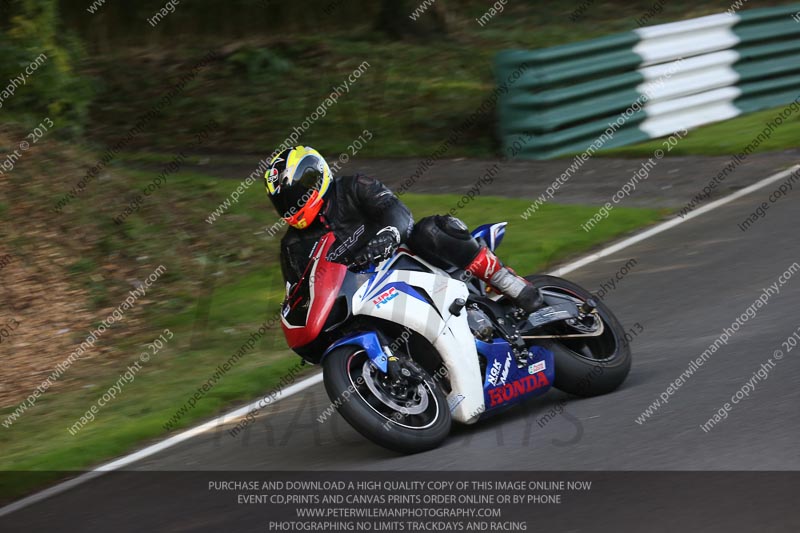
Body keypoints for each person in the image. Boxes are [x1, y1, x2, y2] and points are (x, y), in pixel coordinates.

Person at [264, 145, 543, 313]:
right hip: (363, 296)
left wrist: (388, 234)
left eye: (294, 195)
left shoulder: (353, 187)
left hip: (406, 260)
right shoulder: (292, 246)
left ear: (315, 177)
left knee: (429, 230)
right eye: (283, 201)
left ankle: (507, 281)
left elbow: (395, 210)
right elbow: (299, 293)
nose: (291, 204)